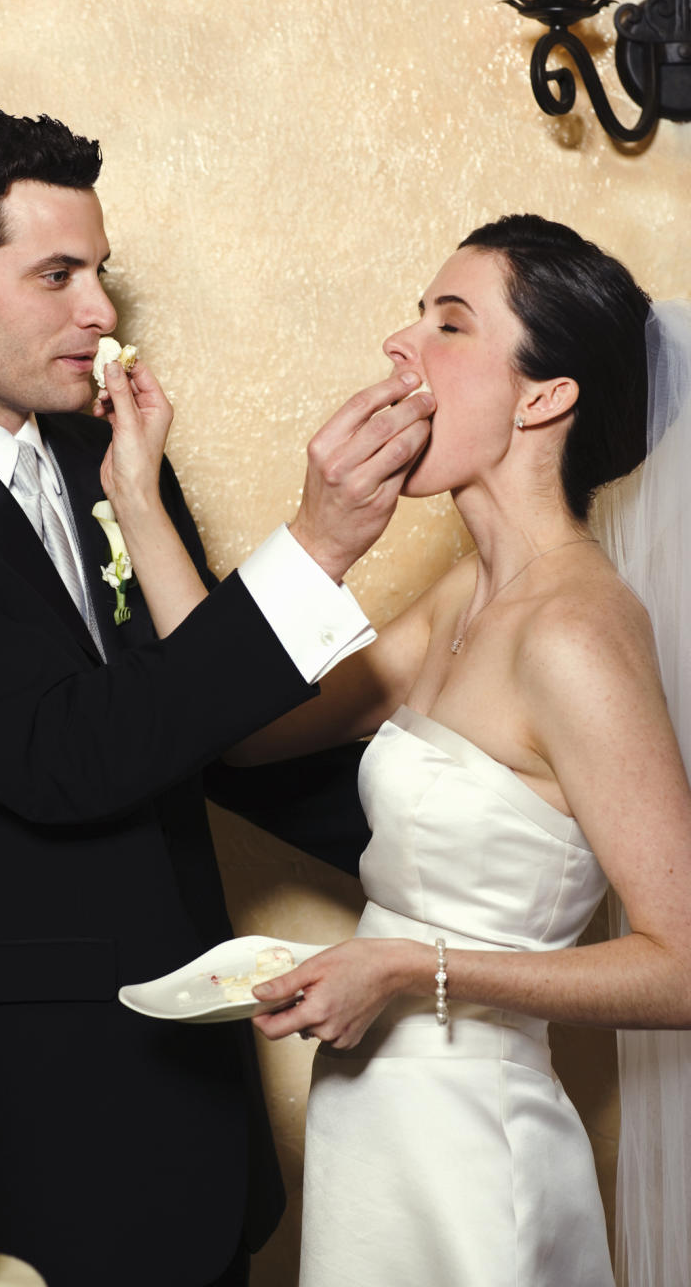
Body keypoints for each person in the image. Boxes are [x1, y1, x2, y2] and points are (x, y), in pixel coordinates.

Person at [0, 105, 437, 1287]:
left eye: (101, 273)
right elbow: (70, 757)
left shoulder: (103, 456)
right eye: (57, 274)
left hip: (199, 1104)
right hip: (29, 1111)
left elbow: (208, 726)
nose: (103, 315)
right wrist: (313, 548)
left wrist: (449, 848)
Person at [98, 214, 691, 1287]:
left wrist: (409, 968)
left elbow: (685, 964)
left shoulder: (576, 632)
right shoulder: (468, 593)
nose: (400, 346)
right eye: (417, 314)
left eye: (450, 324)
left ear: (543, 395)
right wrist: (138, 497)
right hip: (376, 1128)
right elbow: (227, 718)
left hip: (475, 1146)